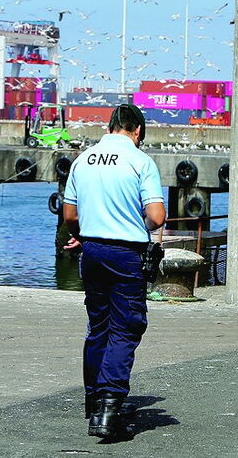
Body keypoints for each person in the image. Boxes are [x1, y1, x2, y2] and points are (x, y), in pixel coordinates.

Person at [62, 103, 165, 439]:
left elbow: (69, 216)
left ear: (109, 127)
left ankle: (93, 400)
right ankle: (109, 407)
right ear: (137, 130)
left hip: (91, 250)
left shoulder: (83, 159)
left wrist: (88, 234)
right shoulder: (140, 161)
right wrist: (135, 220)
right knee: (126, 328)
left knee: (99, 327)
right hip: (126, 254)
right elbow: (158, 217)